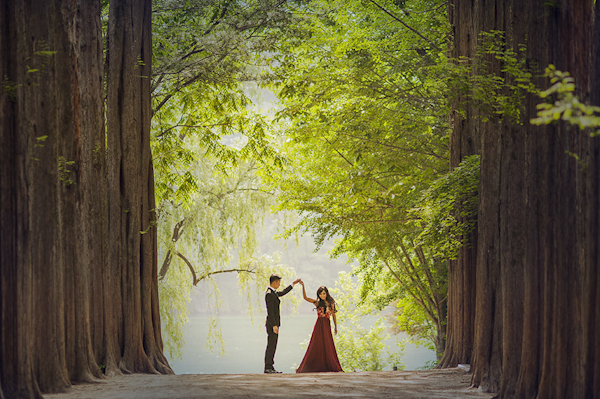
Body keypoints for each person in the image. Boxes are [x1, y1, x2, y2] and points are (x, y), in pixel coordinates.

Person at [296, 281, 343, 373]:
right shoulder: (317, 303)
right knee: (316, 344)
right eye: (320, 294)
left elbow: (333, 315)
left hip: (327, 324)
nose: (322, 295)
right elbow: (305, 298)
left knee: (328, 344)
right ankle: (311, 366)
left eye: (324, 293)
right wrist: (303, 286)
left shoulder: (331, 302)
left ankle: (329, 364)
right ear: (318, 295)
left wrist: (336, 327)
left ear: (326, 293)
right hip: (319, 325)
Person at [264, 274, 301, 374]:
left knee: (273, 345)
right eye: (279, 282)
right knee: (271, 345)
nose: (279, 284)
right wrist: (274, 325)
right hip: (272, 324)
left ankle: (271, 367)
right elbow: (270, 312)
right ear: (274, 282)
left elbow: (283, 292)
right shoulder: (269, 294)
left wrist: (293, 284)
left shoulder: (274, 293)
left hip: (275, 324)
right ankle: (268, 367)